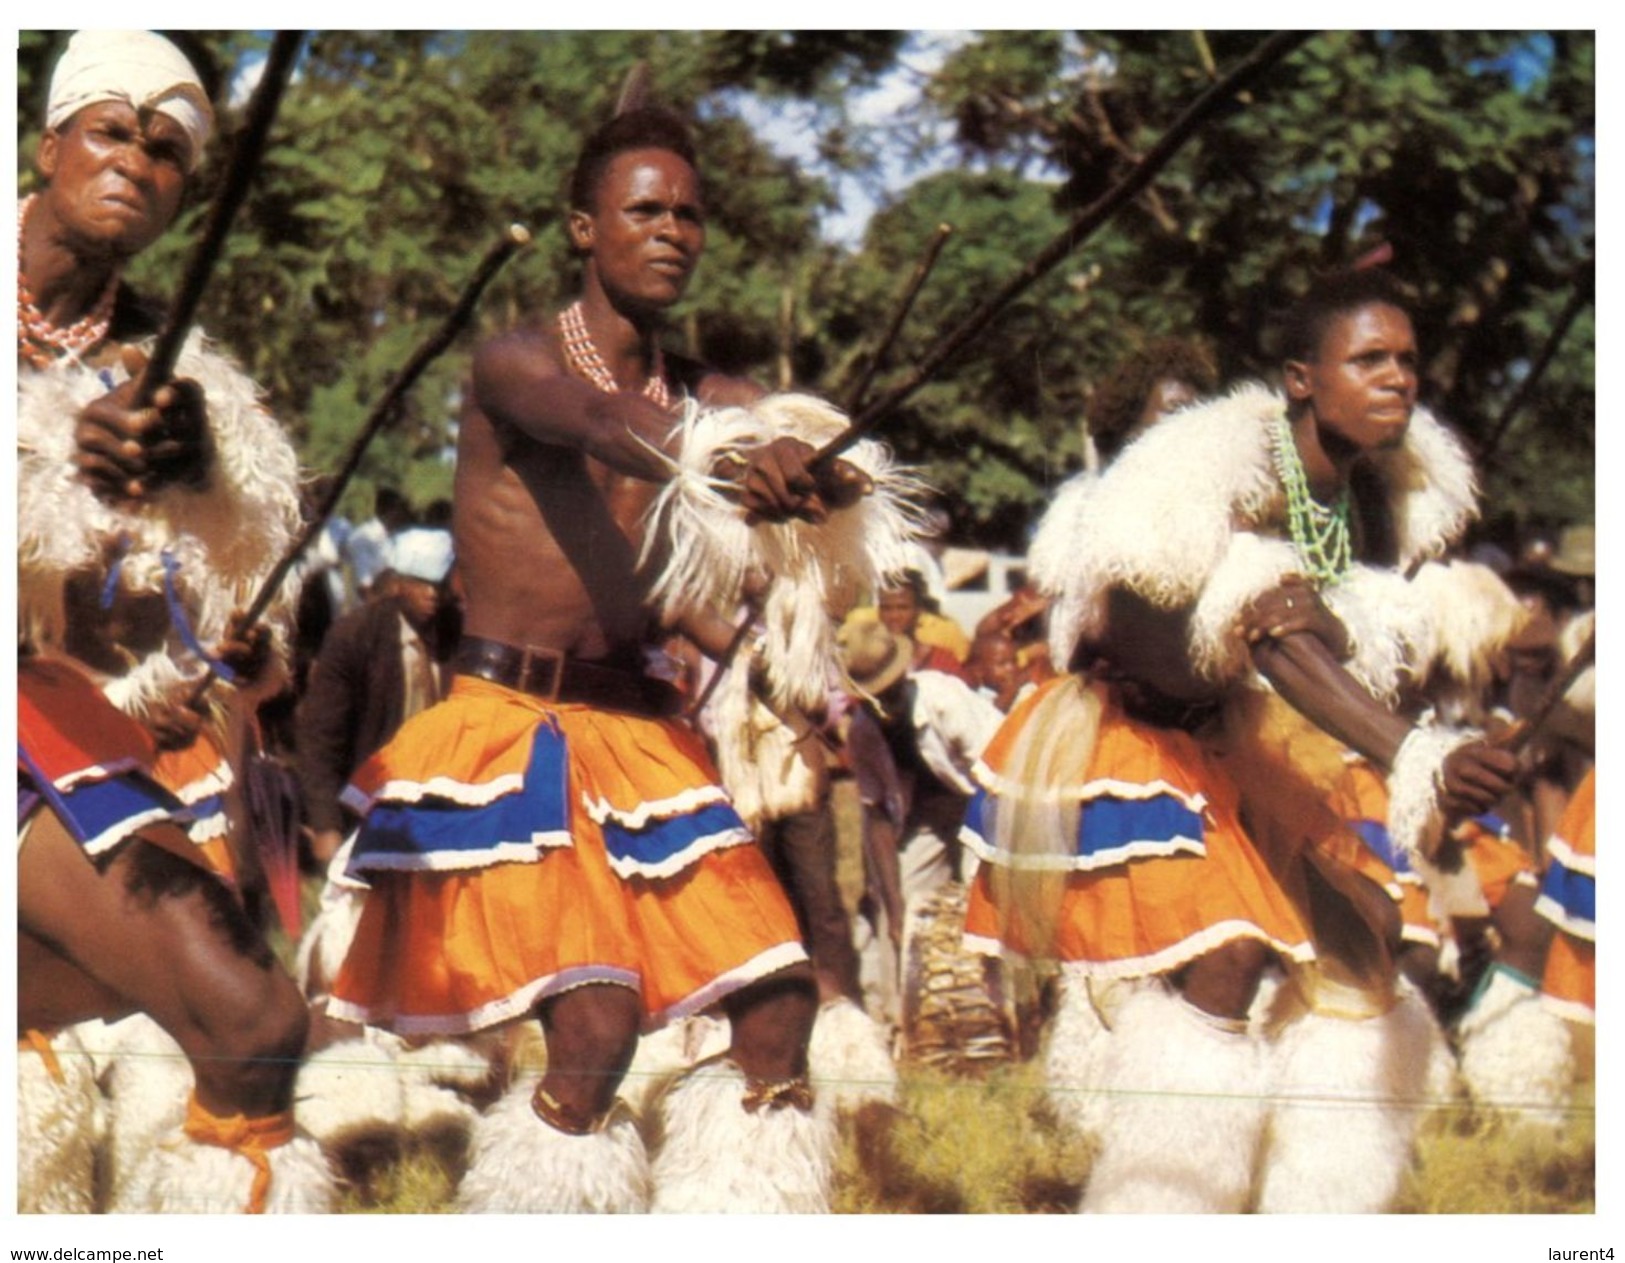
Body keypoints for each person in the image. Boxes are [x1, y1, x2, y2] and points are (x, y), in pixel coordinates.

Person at [326, 103, 918, 1213]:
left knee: (782, 1002)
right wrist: (722, 456)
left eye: (690, 215)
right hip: (509, 730)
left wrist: (817, 474)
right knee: (594, 1029)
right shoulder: (516, 363)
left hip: (647, 741)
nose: (673, 231)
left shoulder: (709, 394)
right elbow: (597, 419)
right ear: (581, 228)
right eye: (645, 209)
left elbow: (786, 438)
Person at [963, 268, 1520, 1213]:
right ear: (1301, 378)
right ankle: (1158, 1209)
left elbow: (1351, 645)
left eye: (1409, 362)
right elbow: (1271, 625)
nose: (1399, 379)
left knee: (1365, 949)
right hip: (1129, 735)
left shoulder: (1377, 496)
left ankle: (1315, 1207)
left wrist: (1424, 732)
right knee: (1227, 956)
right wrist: (1417, 754)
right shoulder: (1218, 472)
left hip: (1238, 740)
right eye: (1369, 359)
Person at [15, 30, 329, 1213]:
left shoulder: (162, 359)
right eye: (111, 130)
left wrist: (198, 472)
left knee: (249, 1015)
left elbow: (235, 557)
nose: (135, 163)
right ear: (48, 143)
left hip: (40, 721)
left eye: (166, 150)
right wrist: (46, 448)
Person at [839, 622, 1004, 1045]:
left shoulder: (944, 700)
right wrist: (895, 910)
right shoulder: (862, 731)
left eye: (893, 690)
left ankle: (997, 1011)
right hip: (923, 812)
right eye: (877, 695)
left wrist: (980, 862)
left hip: (985, 800)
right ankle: (902, 1023)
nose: (888, 703)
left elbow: (996, 780)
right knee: (903, 910)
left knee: (982, 898)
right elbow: (875, 819)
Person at [296, 525, 460, 869]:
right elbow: (321, 736)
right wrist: (326, 824)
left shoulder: (458, 634)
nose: (432, 594)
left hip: (442, 793)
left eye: (439, 584)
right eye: (421, 582)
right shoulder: (355, 637)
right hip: (373, 795)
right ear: (398, 583)